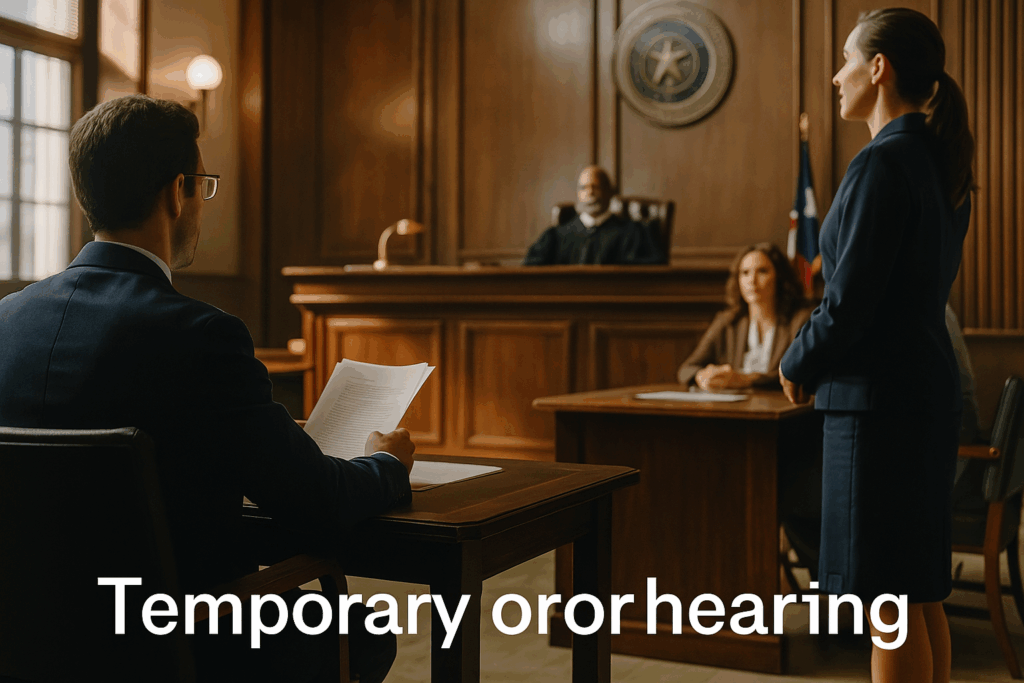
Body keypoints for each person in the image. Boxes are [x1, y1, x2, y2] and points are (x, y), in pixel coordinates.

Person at [0, 95, 411, 683]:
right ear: (177, 192)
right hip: (180, 646)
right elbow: (317, 507)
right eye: (202, 187)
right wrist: (385, 464)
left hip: (29, 637)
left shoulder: (5, 322)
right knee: (361, 630)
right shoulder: (202, 335)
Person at [779, 9, 975, 683]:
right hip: (920, 395)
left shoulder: (882, 162)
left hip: (877, 406)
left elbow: (851, 302)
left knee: (887, 603)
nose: (837, 76)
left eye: (845, 59)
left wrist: (796, 360)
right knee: (918, 593)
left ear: (879, 68)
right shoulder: (937, 158)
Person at [677, 242, 812, 390]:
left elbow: (802, 373)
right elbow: (687, 369)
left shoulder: (800, 321)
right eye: (745, 273)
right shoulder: (727, 321)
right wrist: (703, 376)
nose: (752, 281)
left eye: (762, 271)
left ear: (780, 277)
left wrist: (746, 379)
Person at [522, 166, 665, 265]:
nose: (589, 192)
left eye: (596, 186)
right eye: (583, 188)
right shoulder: (556, 236)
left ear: (610, 192)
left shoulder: (634, 233)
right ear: (578, 194)